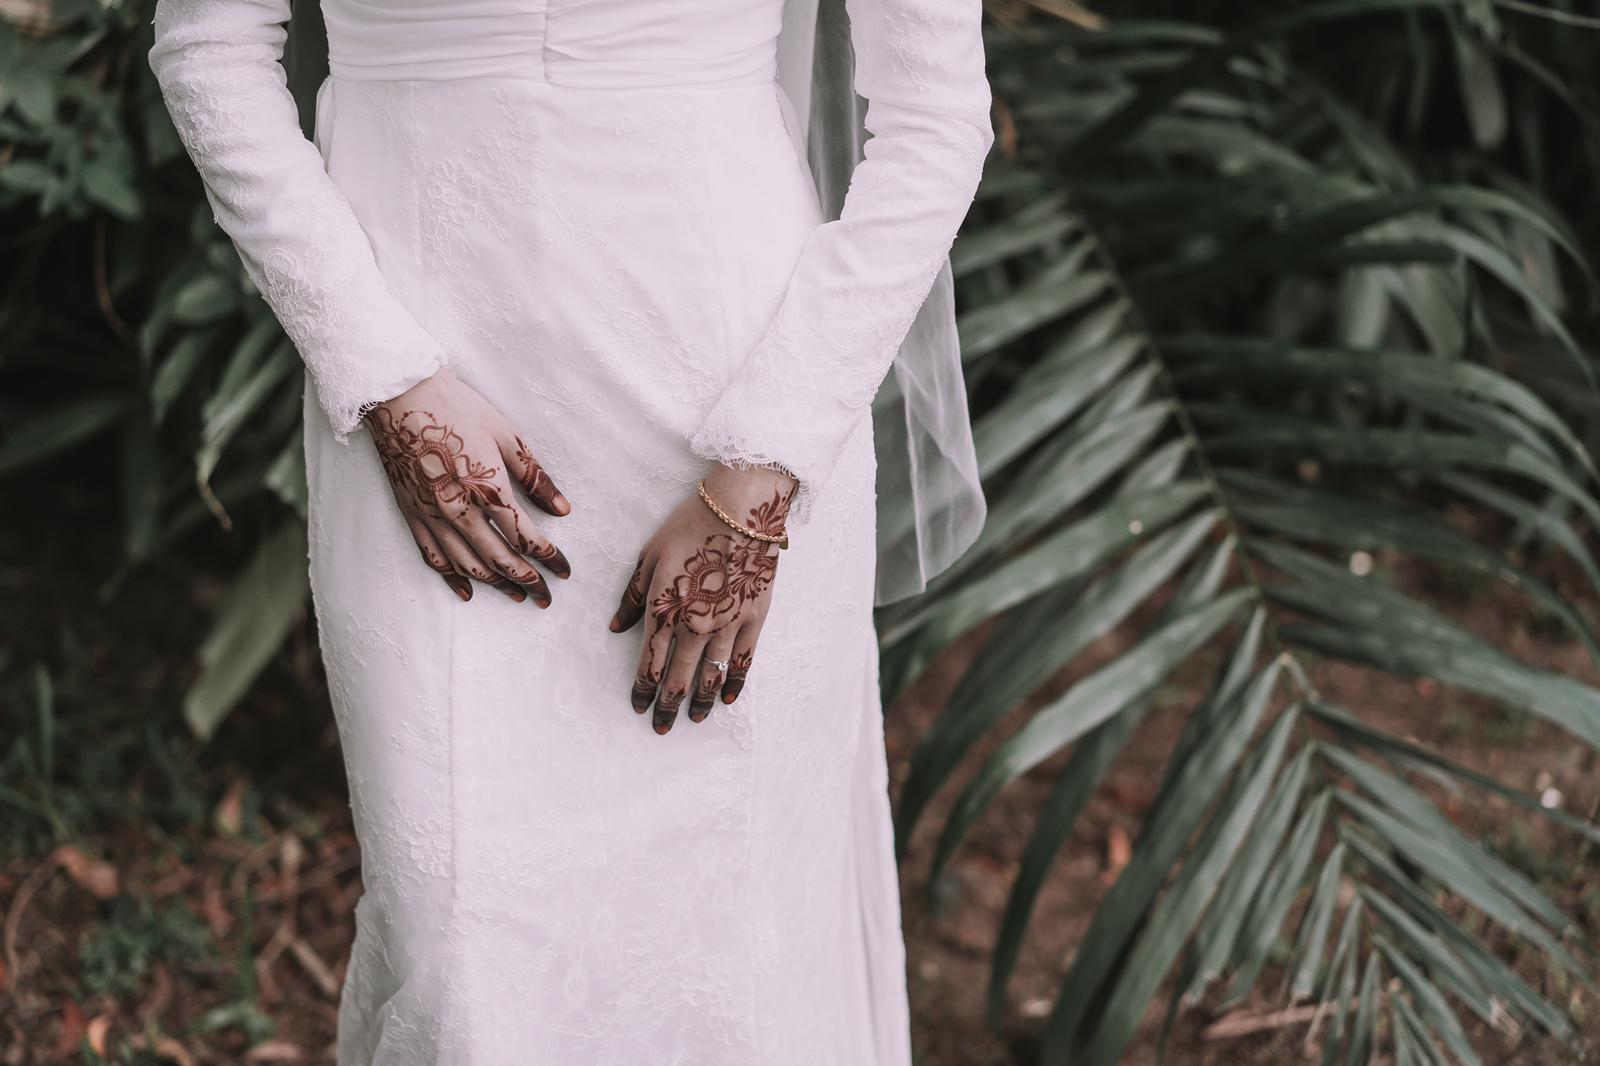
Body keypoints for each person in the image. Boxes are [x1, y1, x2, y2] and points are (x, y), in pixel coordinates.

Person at [147, 0, 993, 1060]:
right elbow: (207, 46)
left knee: (739, 937)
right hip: (417, 398)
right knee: (452, 932)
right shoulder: (394, 387)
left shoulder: (762, 446)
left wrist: (772, 453)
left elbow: (935, 117)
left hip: (738, 408)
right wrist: (379, 368)